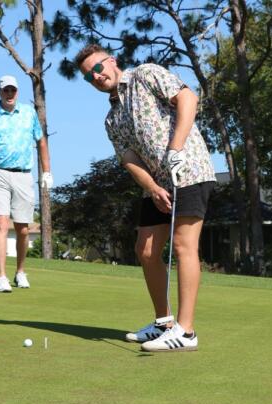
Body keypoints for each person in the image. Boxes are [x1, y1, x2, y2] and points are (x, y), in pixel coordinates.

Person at [75, 44, 216, 352]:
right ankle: (163, 322)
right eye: (89, 77)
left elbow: (188, 98)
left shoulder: (145, 74)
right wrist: (152, 187)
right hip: (159, 182)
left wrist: (176, 149)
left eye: (97, 68)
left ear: (112, 61)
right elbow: (129, 159)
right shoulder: (112, 119)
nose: (96, 77)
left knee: (182, 245)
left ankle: (186, 332)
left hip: (190, 169)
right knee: (147, 249)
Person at [0, 75, 53, 292]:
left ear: (17, 92)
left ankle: (20, 271)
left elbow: (41, 141)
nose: (9, 94)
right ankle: (1, 276)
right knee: (2, 223)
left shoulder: (28, 113)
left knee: (23, 229)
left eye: (13, 90)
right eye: (5, 90)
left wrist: (46, 171)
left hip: (23, 175)